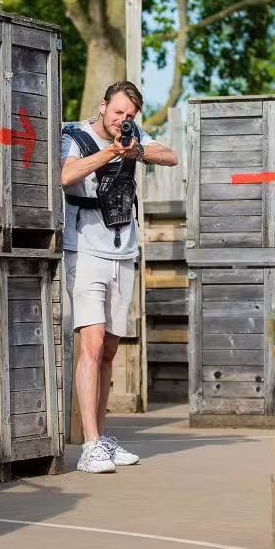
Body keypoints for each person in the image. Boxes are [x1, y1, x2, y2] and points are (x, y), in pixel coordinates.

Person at [61, 81, 178, 474]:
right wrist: (111, 151)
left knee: (110, 349)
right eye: (117, 113)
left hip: (124, 251)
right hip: (85, 250)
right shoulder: (74, 135)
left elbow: (172, 156)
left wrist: (137, 149)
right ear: (102, 106)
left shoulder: (133, 136)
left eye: (129, 116)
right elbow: (66, 175)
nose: (122, 121)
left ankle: (103, 439)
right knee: (91, 346)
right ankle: (89, 444)